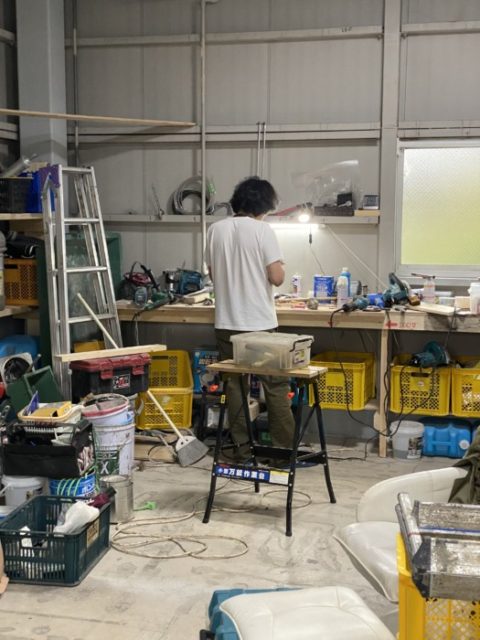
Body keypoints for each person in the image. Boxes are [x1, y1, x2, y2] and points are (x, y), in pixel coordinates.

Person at [204, 175, 295, 461]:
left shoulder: (215, 230)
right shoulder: (262, 230)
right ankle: (281, 453)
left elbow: (212, 273)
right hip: (260, 325)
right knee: (275, 386)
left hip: (226, 323)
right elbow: (277, 278)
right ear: (264, 205)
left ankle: (242, 450)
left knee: (234, 387)